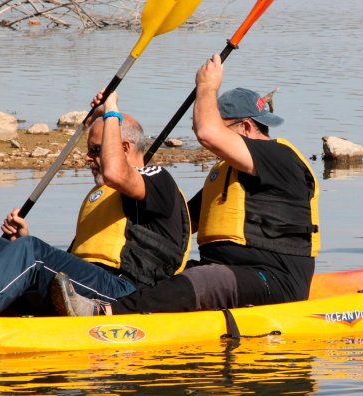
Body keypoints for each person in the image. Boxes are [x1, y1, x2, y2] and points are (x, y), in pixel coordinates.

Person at [51, 53, 321, 316]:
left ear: (247, 128)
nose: (215, 141)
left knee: (205, 279)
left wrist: (206, 86)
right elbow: (180, 221)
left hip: (274, 276)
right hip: (226, 270)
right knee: (170, 277)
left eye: (222, 126)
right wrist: (109, 117)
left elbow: (206, 132)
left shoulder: (280, 156)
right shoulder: (227, 174)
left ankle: (104, 313)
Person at [0, 91, 191, 316]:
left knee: (31, 251)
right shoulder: (101, 195)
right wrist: (19, 246)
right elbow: (72, 264)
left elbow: (115, 172)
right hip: (85, 287)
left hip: (122, 292)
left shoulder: (157, 178)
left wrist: (111, 109)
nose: (86, 158)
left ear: (123, 148)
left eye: (95, 150)